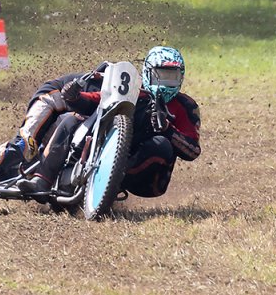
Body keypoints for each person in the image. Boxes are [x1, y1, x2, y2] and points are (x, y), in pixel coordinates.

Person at [17, 46, 202, 201]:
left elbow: (193, 151)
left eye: (172, 77)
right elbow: (96, 100)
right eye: (161, 76)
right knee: (71, 118)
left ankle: (110, 183)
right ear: (147, 73)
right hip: (110, 150)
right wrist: (73, 97)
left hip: (148, 181)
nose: (166, 84)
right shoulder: (133, 91)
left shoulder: (187, 106)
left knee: (162, 145)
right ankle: (42, 180)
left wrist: (168, 131)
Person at [0, 62, 107, 188]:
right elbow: (81, 101)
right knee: (26, 146)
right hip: (49, 100)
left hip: (65, 114)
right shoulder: (103, 87)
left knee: (32, 164)